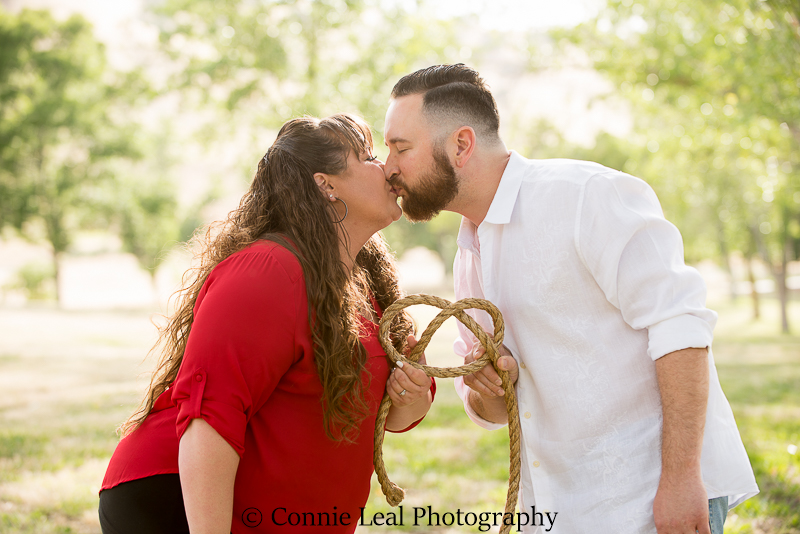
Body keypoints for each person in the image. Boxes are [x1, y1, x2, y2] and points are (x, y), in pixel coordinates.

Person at [382, 64, 758, 534]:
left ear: (461, 145)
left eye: (400, 148)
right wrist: (491, 386)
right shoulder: (468, 253)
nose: (388, 166)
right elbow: (490, 412)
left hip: (650, 500)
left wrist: (682, 479)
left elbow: (681, 328)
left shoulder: (587, 197)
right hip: (558, 511)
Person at [98, 113, 435, 534]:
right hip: (176, 500)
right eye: (367, 157)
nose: (385, 167)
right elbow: (208, 419)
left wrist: (411, 393)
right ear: (326, 185)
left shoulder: (367, 285)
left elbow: (393, 416)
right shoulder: (269, 271)